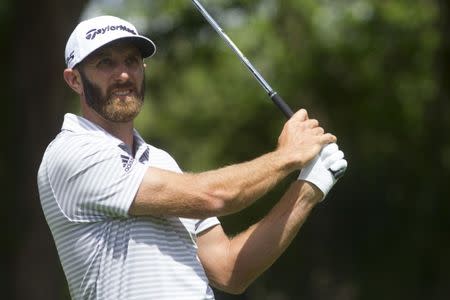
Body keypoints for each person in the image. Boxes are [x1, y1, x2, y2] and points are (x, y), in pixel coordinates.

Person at [37, 15, 348, 300]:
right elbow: (214, 196)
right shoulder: (72, 154)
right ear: (74, 79)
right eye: (105, 62)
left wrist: (309, 186)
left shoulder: (161, 162)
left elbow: (230, 270)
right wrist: (288, 156)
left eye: (131, 61)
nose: (122, 74)